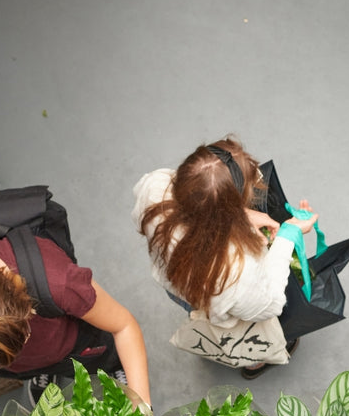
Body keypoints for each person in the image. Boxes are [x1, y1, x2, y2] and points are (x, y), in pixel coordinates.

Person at [132, 137, 319, 379]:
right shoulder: (236, 267)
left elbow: (196, 204)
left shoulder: (155, 186)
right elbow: (269, 304)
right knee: (246, 330)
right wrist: (287, 236)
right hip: (227, 298)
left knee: (196, 309)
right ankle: (254, 362)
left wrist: (242, 215)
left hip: (178, 285)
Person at [0, 238, 151, 407]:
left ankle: (116, 368)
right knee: (32, 365)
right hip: (25, 363)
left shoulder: (58, 282)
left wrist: (142, 404)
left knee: (101, 358)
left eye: (24, 329)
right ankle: (43, 371)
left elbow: (124, 326)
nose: (28, 338)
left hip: (72, 341)